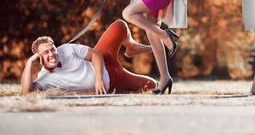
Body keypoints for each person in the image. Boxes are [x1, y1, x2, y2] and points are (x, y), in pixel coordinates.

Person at [21, 20, 155, 94]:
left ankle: (131, 46)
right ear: (38, 58)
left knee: (119, 25)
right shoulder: (45, 79)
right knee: (152, 85)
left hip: (106, 59)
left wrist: (99, 79)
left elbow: (96, 54)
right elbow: (27, 90)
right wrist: (28, 63)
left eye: (52, 49)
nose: (51, 54)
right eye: (45, 53)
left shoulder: (66, 49)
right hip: (116, 81)